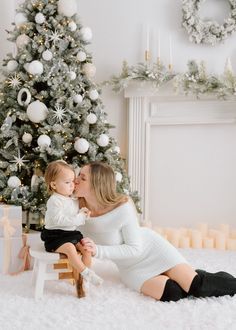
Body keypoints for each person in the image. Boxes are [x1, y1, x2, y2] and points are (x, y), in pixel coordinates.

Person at [74, 161, 236, 302]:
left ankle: (201, 277)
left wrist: (98, 250)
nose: (76, 180)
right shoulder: (75, 210)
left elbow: (134, 248)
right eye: (78, 175)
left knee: (195, 287)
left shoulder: (122, 207)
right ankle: (194, 274)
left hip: (151, 250)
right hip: (130, 268)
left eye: (83, 177)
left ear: (97, 184)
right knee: (173, 293)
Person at [41, 160, 103, 298]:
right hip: (55, 236)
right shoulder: (55, 200)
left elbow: (76, 215)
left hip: (70, 233)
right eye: (67, 182)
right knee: (69, 248)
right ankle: (86, 272)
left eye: (73, 181)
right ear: (54, 184)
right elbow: (59, 220)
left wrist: (84, 213)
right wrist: (79, 218)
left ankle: (82, 281)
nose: (72, 185)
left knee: (86, 247)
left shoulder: (73, 199)